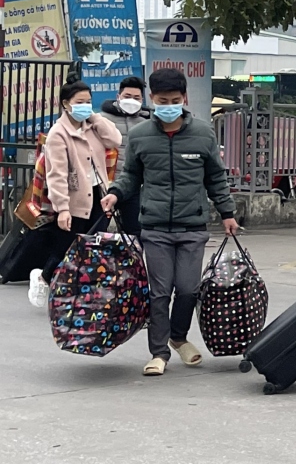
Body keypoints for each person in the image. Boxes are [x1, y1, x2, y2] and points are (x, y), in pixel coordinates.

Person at [100, 68, 239, 376]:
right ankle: (159, 352)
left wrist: (227, 213)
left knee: (188, 289)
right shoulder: (139, 136)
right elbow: (130, 176)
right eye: (162, 100)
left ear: (184, 98)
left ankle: (179, 336)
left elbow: (215, 177)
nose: (168, 105)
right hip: (155, 227)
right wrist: (114, 194)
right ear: (153, 99)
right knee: (160, 292)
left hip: (193, 227)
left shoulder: (203, 133)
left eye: (174, 100)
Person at [27, 80, 122, 308]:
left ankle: (81, 295)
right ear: (66, 104)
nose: (85, 107)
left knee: (93, 248)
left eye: (88, 102)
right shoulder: (59, 134)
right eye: (80, 103)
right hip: (74, 198)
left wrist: (95, 117)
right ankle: (43, 277)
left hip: (98, 195)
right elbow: (56, 174)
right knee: (67, 248)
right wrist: (63, 208)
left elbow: (115, 140)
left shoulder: (92, 126)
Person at [100, 76, 152, 233]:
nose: (132, 101)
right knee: (98, 231)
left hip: (134, 187)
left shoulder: (149, 123)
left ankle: (135, 258)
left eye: (136, 98)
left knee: (135, 231)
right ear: (118, 97)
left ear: (142, 100)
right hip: (105, 186)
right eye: (127, 97)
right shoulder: (102, 120)